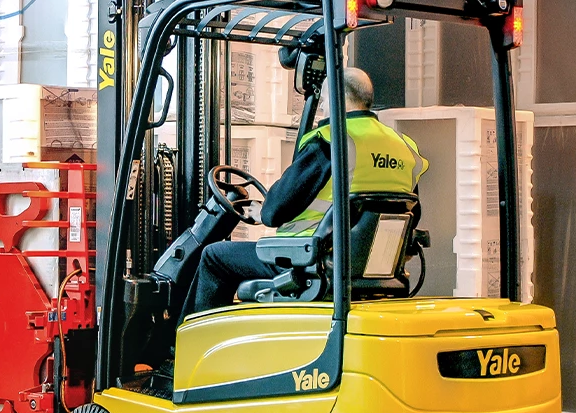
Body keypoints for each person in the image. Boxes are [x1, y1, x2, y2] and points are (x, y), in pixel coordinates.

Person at [178, 67, 428, 318]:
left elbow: (276, 210)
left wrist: (262, 211)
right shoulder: (403, 146)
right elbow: (410, 212)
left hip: (311, 262)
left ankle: (186, 347)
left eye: (325, 99)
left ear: (335, 97)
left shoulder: (332, 141)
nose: (323, 106)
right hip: (373, 269)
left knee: (214, 257)